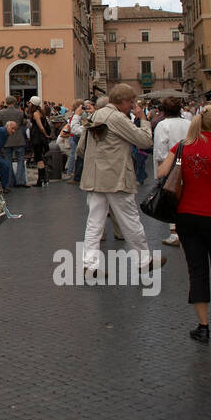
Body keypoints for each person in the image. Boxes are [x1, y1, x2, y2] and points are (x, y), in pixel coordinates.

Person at [155, 105, 211, 342]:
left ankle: (203, 326)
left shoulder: (183, 146)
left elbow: (161, 173)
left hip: (187, 216)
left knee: (197, 270)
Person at [78, 83, 165, 279]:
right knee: (130, 219)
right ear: (124, 101)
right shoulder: (116, 118)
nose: (132, 106)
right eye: (131, 102)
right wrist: (143, 120)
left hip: (94, 176)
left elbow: (81, 149)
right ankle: (144, 261)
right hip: (115, 177)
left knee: (94, 222)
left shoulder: (95, 115)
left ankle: (90, 265)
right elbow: (144, 141)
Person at [154, 97, 191, 247]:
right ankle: (187, 229)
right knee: (186, 197)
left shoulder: (163, 125)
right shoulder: (189, 123)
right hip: (188, 165)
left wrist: (161, 170)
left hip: (170, 166)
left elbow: (160, 150)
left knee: (171, 199)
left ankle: (175, 233)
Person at [0, 97, 28, 187]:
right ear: (15, 102)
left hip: (6, 140)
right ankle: (20, 181)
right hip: (19, 139)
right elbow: (23, 123)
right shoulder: (20, 112)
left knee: (8, 161)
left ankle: (10, 181)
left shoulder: (2, 112)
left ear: (6, 102)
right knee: (21, 160)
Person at [26, 96, 52, 187]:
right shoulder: (41, 112)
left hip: (37, 137)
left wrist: (45, 134)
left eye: (29, 103)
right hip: (40, 137)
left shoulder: (35, 114)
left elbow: (40, 126)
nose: (28, 104)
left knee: (38, 158)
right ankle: (43, 178)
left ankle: (41, 180)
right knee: (39, 157)